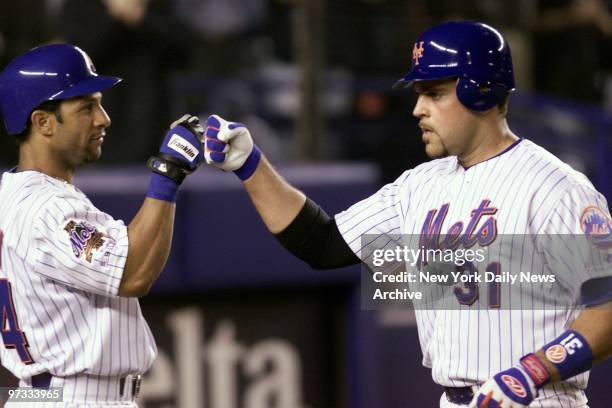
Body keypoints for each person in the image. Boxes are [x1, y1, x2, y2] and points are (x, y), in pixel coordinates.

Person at [202, 21, 612, 407]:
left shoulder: (556, 188)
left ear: (481, 90)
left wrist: (532, 371)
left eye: (434, 93)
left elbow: (607, 306)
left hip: (536, 399)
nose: (417, 109)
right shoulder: (420, 185)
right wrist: (251, 165)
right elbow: (322, 244)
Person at [0, 44, 205, 405]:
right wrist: (168, 174)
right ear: (43, 122)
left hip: (41, 393)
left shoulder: (11, 193)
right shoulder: (48, 207)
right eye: (86, 107)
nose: (103, 118)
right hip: (75, 396)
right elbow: (133, 274)